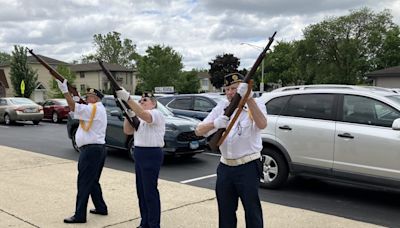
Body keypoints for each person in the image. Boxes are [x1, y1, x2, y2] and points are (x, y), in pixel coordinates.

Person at [195, 73, 267, 228]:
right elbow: (198, 130)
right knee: (225, 212)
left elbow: (262, 124)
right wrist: (215, 123)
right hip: (225, 167)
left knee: (252, 211)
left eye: (234, 88)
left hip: (248, 166)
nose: (229, 92)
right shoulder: (221, 106)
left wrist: (249, 98)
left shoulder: (255, 104)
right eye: (227, 89)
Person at [56, 79, 108, 224]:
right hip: (97, 149)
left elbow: (72, 107)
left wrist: (65, 91)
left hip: (91, 150)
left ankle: (80, 215)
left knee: (84, 182)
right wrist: (78, 99)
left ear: (95, 98)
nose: (86, 99)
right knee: (92, 181)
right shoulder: (97, 108)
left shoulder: (93, 108)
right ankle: (101, 207)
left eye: (88, 97)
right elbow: (78, 109)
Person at [116, 89, 165, 228]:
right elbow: (128, 131)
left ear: (153, 104)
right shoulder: (140, 118)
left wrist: (129, 100)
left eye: (145, 100)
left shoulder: (156, 114)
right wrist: (128, 114)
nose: (141, 102)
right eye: (140, 100)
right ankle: (145, 222)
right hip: (140, 153)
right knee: (141, 191)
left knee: (150, 191)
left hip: (151, 153)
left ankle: (154, 224)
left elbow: (144, 115)